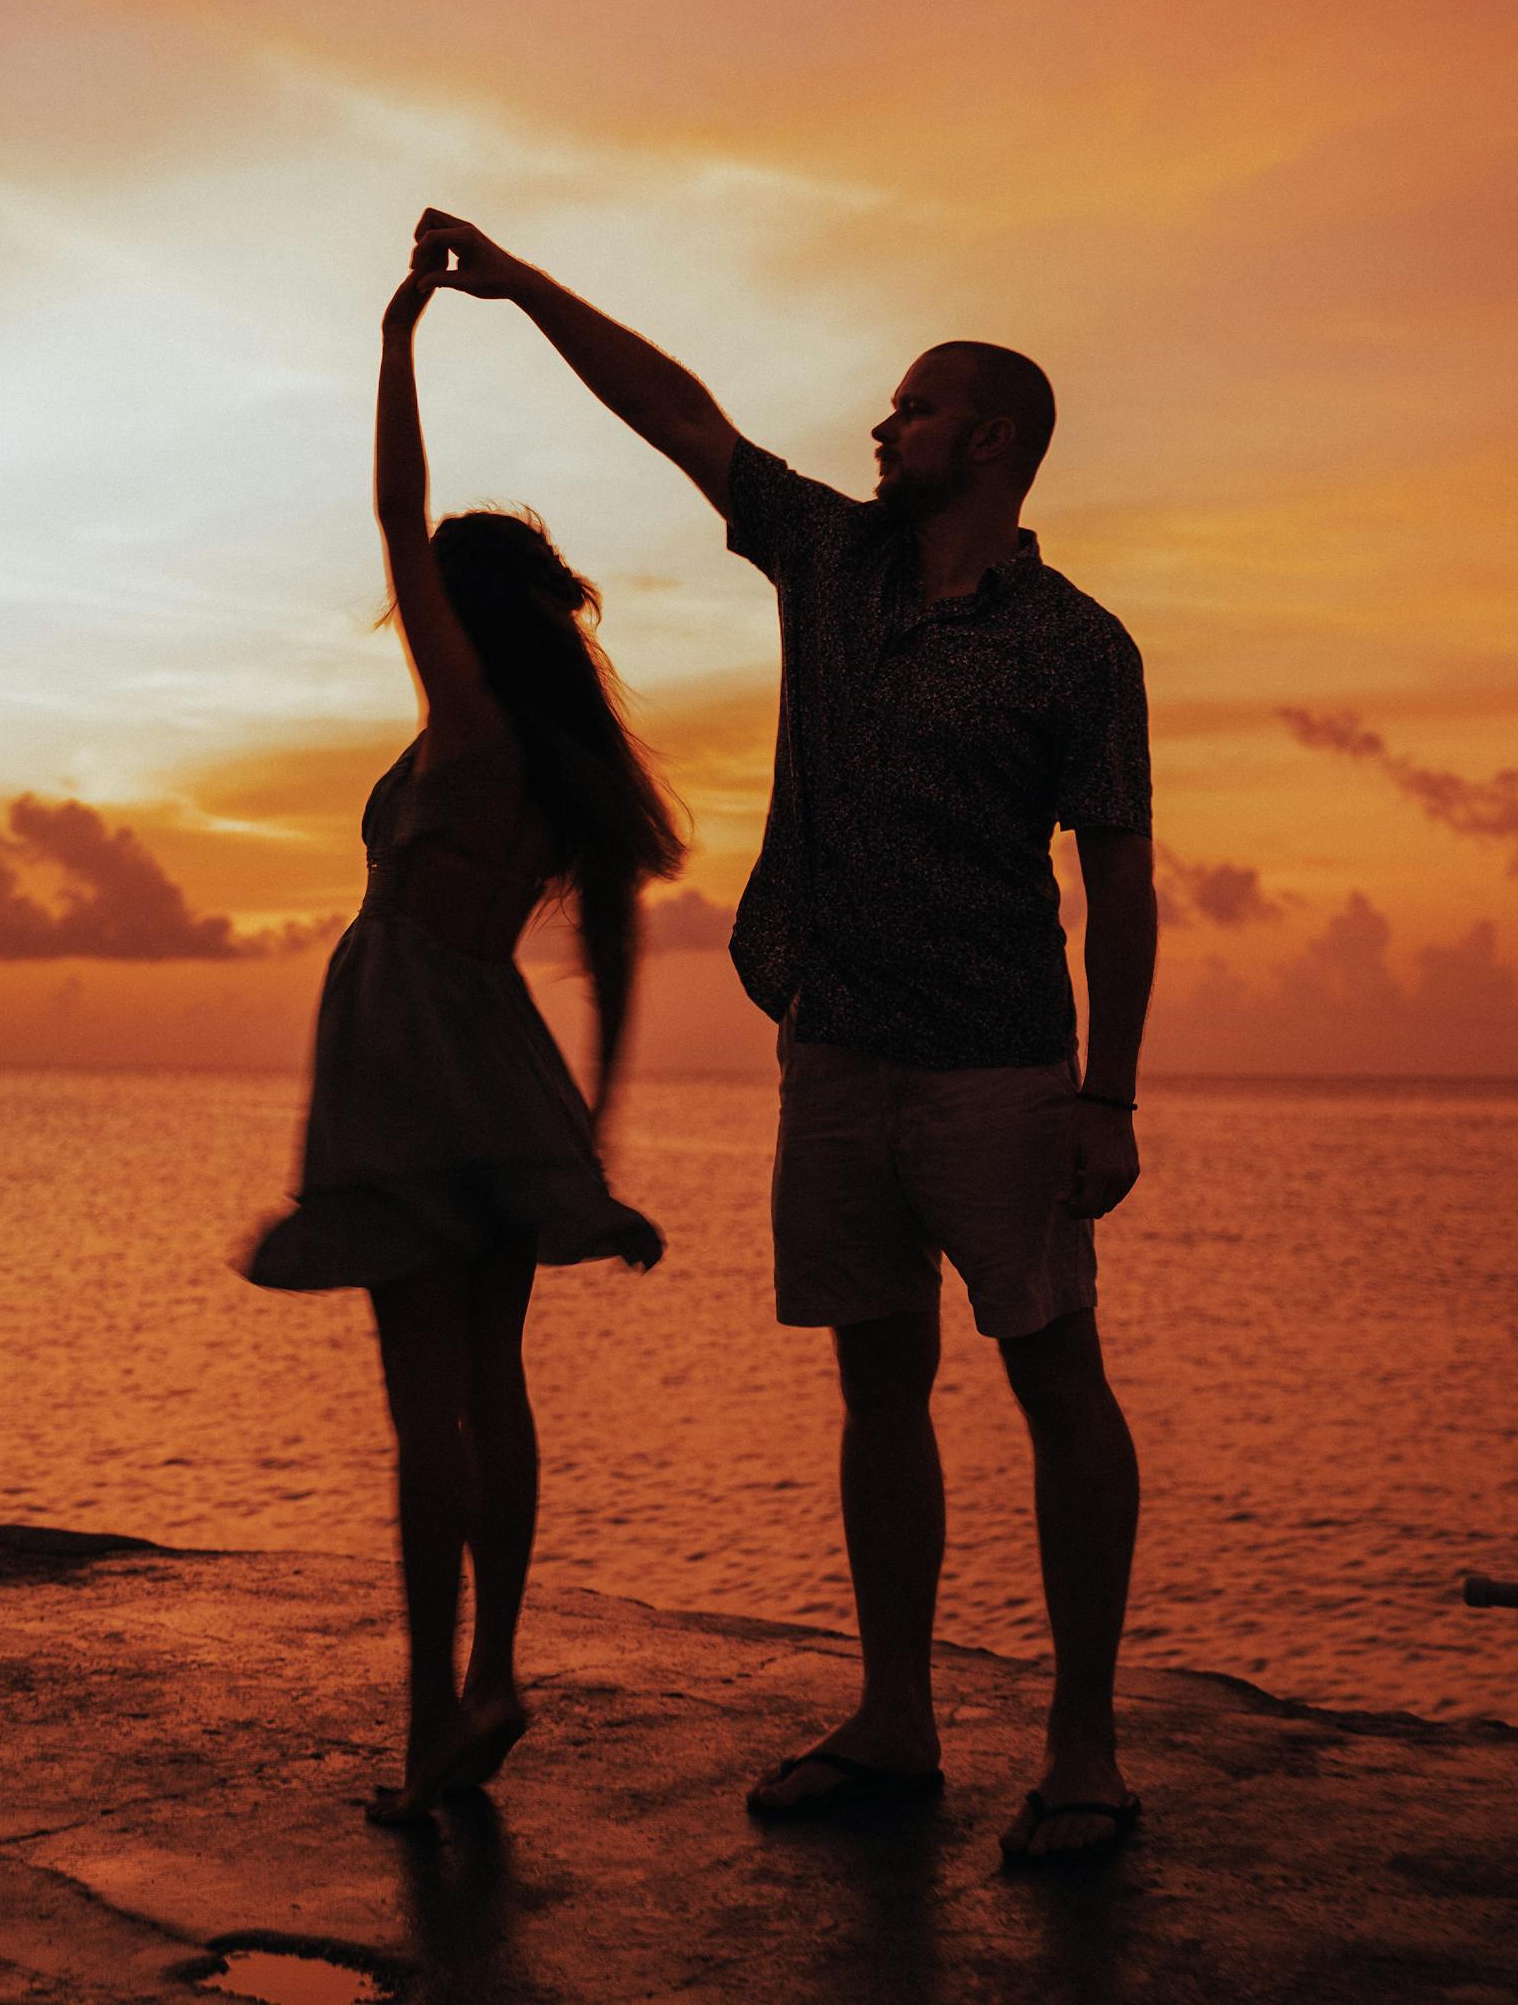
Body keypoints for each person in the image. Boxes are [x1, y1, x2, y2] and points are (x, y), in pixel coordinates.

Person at [410, 210, 1156, 1864]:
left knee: (1055, 1381)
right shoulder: (834, 563)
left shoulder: (1077, 648)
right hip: (831, 1056)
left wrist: (1106, 1094)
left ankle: (1085, 1751)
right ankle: (899, 1722)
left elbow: (1120, 884)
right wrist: (524, 288)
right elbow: (682, 419)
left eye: (913, 408)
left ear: (996, 439)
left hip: (1002, 1068)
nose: (882, 427)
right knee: (876, 1386)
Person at [244, 265, 682, 1825]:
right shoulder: (565, 765)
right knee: (493, 1386)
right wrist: (597, 1139)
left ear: (461, 612)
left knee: (421, 1404)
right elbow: (619, 969)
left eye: (430, 592)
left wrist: (397, 337)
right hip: (502, 1071)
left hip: (403, 1061)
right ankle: (494, 1668)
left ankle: (436, 1720)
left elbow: (390, 510)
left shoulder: (473, 723)